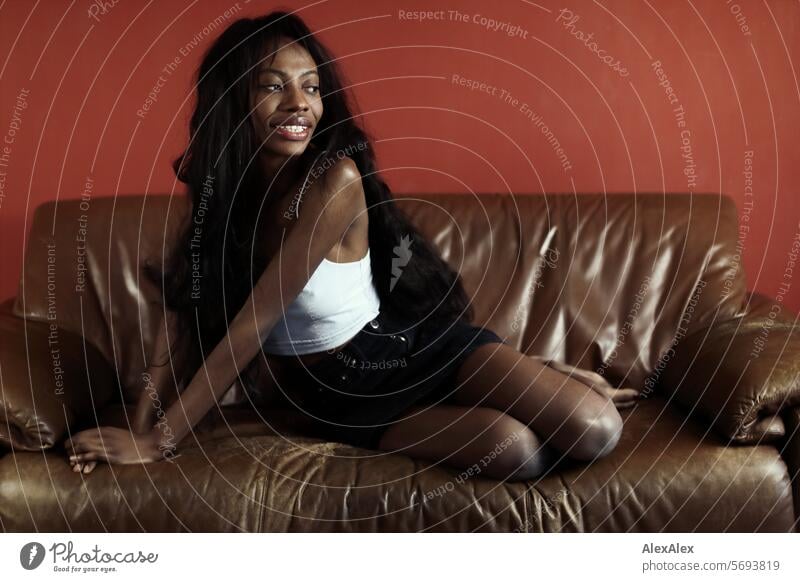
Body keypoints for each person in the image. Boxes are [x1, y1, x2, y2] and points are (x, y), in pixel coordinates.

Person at [64, 11, 637, 480]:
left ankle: (542, 375)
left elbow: (256, 321)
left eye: (311, 86)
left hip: (412, 348)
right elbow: (182, 321)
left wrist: (161, 440)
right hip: (331, 400)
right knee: (514, 451)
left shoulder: (333, 179)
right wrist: (140, 433)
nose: (299, 103)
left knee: (596, 429)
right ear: (233, 100)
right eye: (273, 86)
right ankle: (530, 380)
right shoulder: (221, 195)